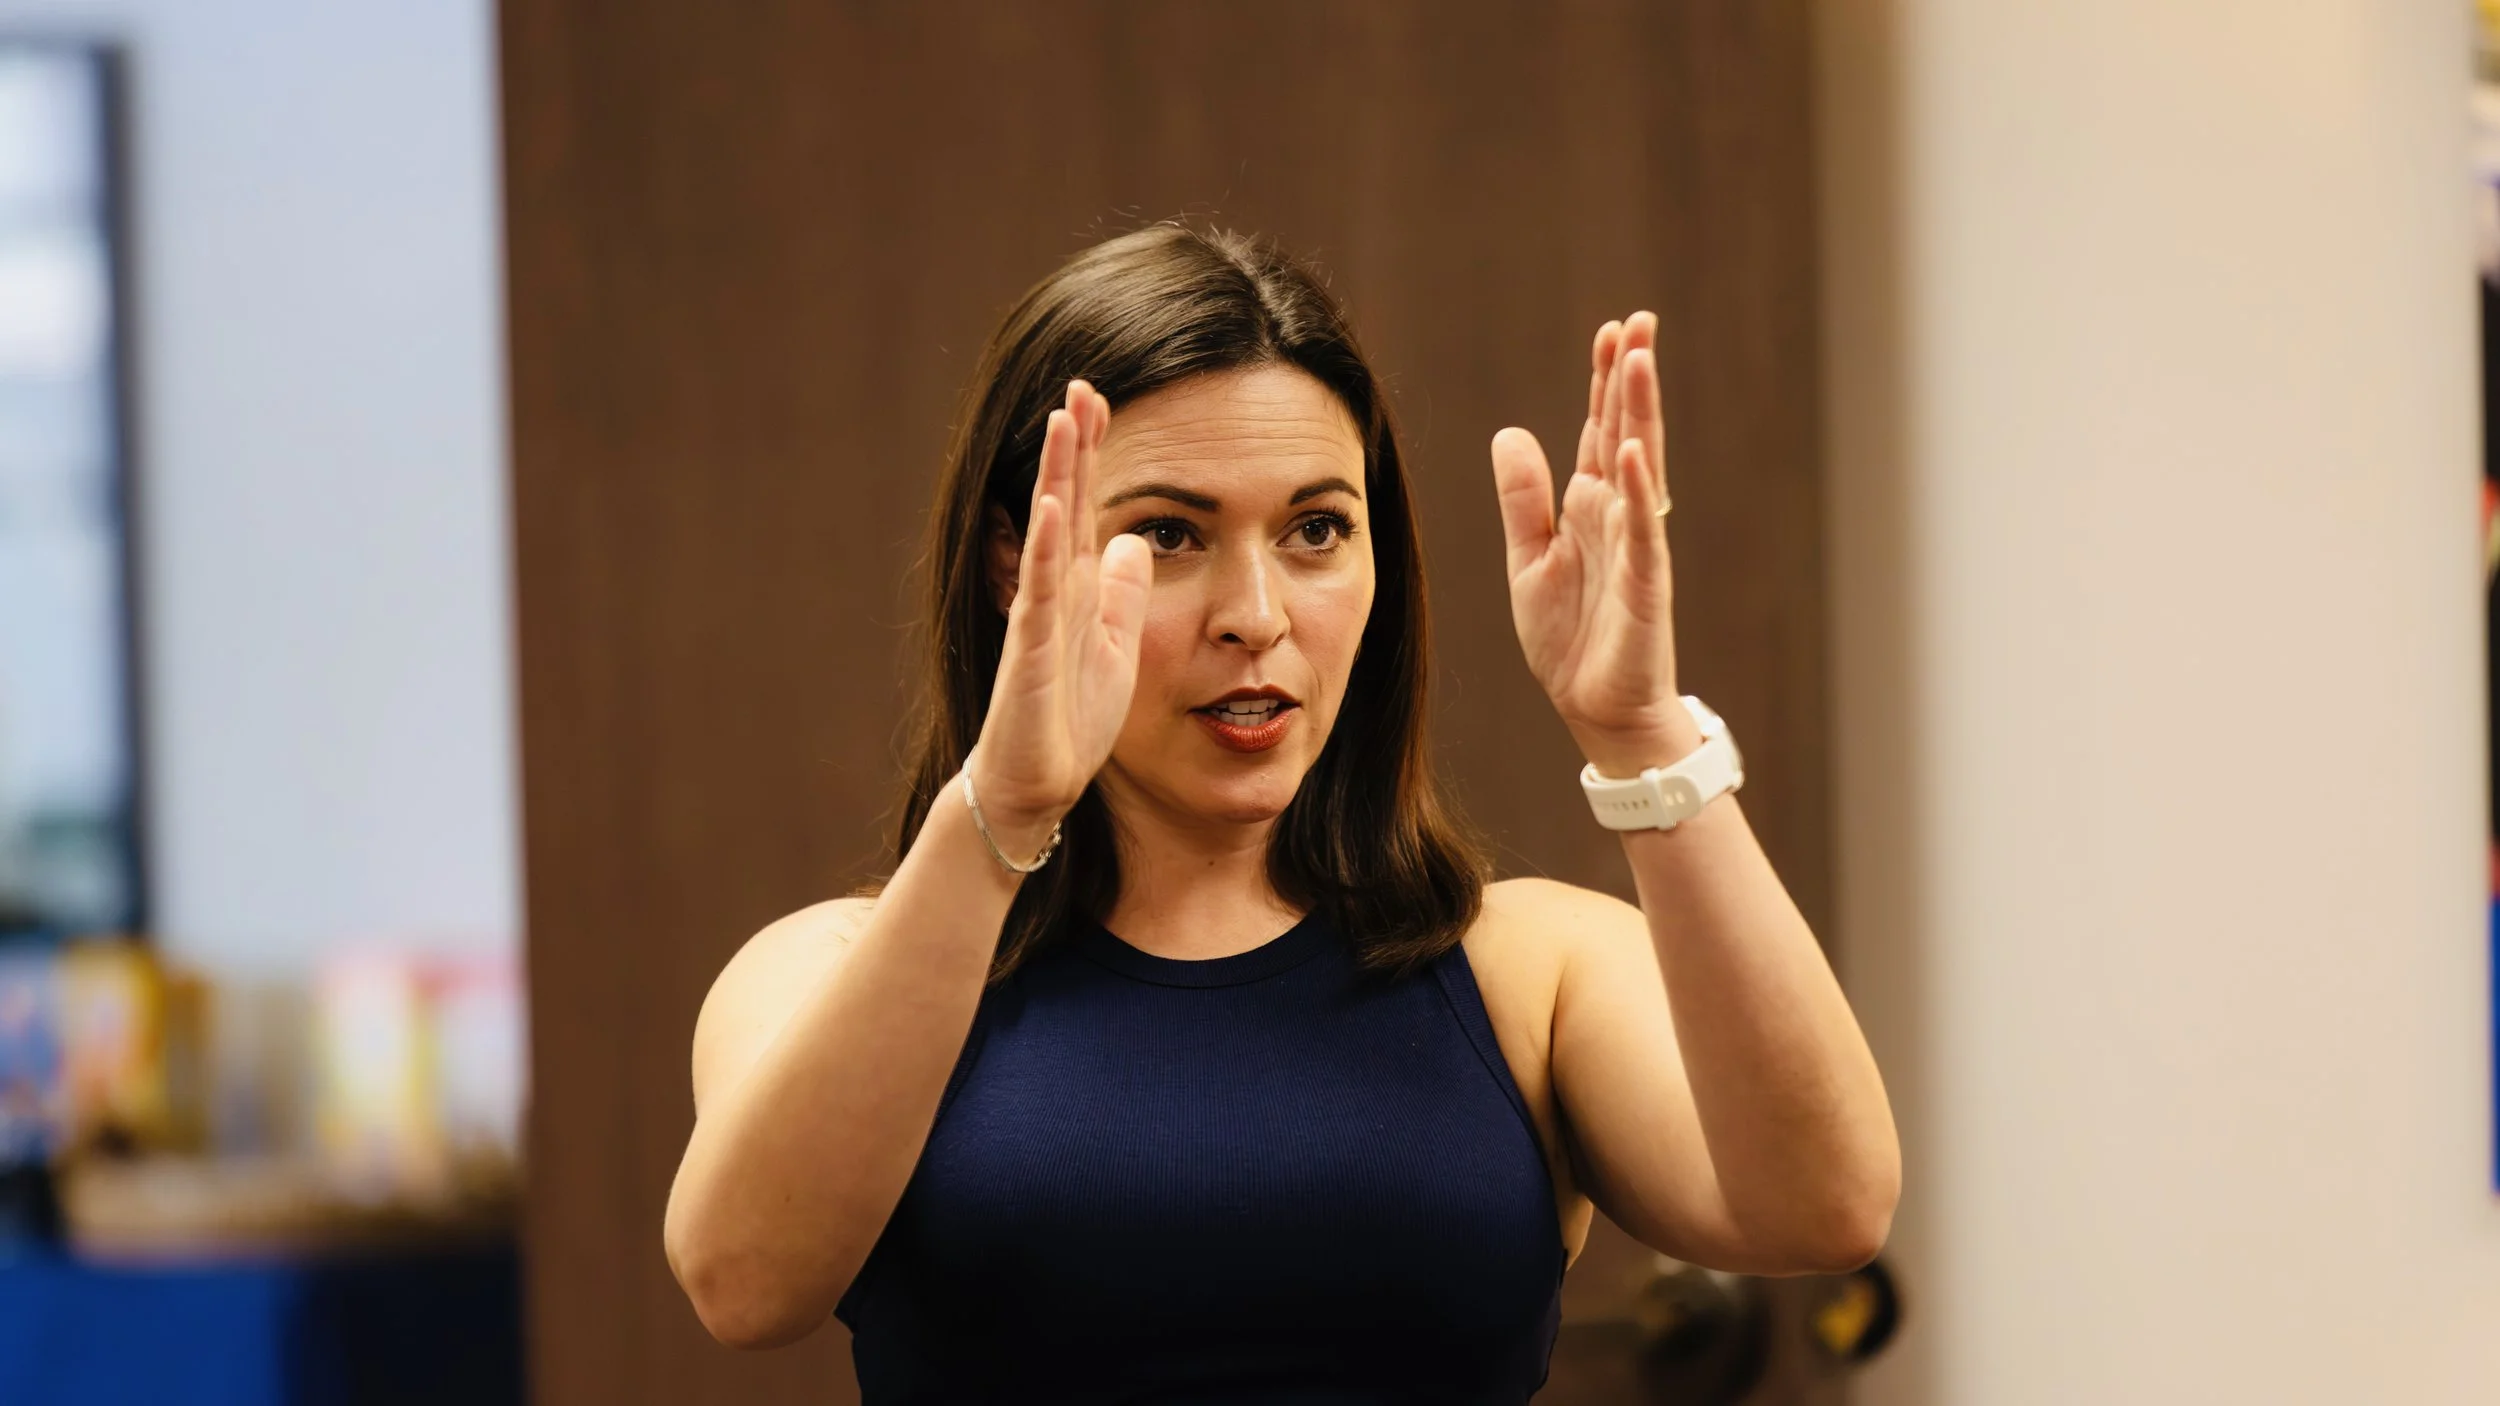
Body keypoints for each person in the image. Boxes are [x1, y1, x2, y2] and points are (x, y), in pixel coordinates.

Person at [661, 223, 1899, 1401]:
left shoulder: (1528, 969)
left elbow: (1824, 1203)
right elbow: (742, 1281)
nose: (1254, 611)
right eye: (1168, 533)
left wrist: (1641, 737)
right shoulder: (827, 966)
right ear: (1011, 560)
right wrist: (1006, 807)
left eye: (1315, 529)